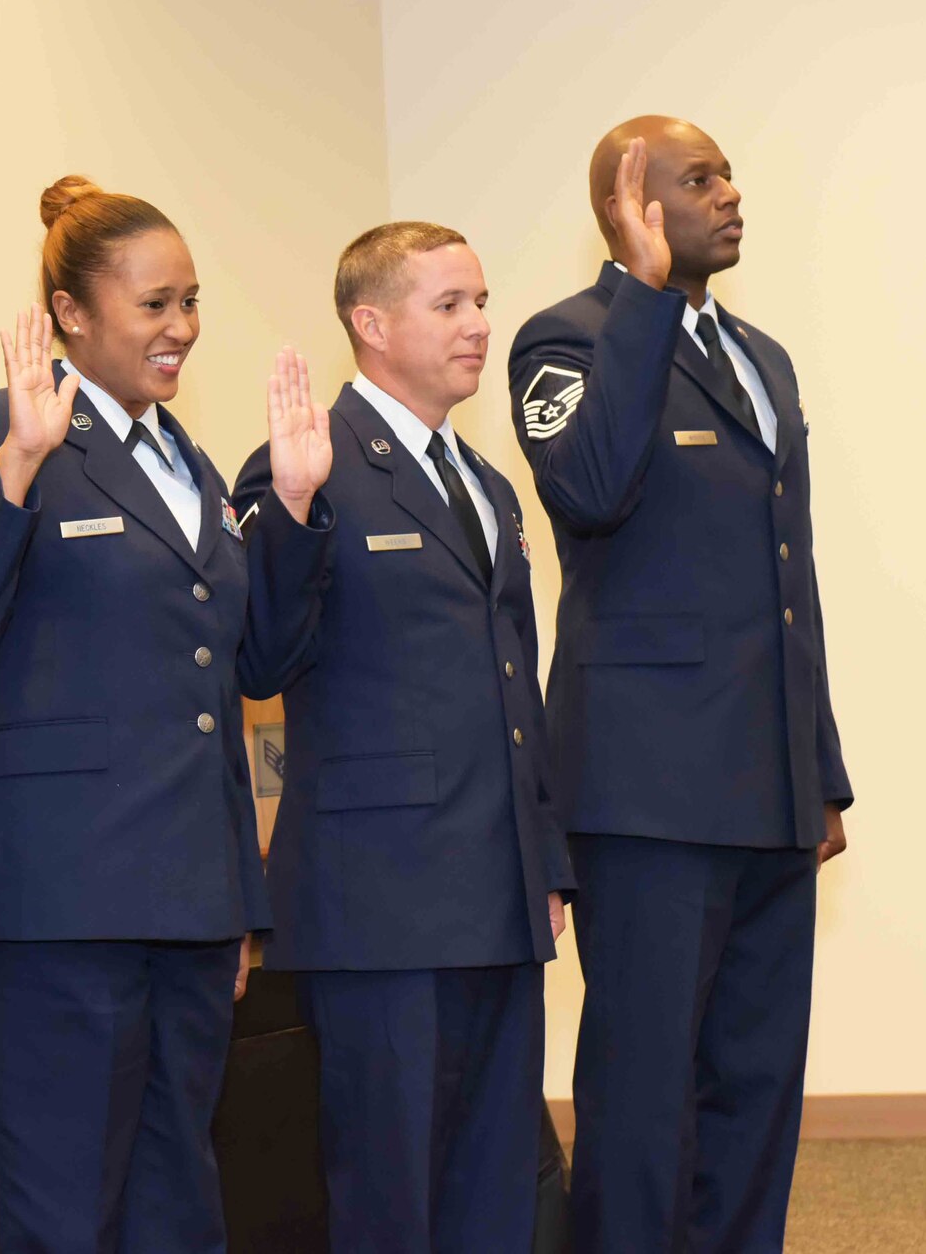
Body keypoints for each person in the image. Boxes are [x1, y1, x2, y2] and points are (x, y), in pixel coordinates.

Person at [0, 177, 272, 1254]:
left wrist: (232, 895)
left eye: (190, 301)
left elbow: (217, 686)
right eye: (154, 304)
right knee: (65, 1201)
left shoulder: (185, 461)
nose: (181, 329)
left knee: (176, 1193)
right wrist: (17, 468)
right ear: (68, 313)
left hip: (184, 897)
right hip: (59, 897)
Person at [507, 117, 853, 1252]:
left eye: (727, 175)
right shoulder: (562, 343)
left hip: (767, 788)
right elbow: (590, 490)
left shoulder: (763, 357)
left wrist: (822, 769)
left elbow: (785, 577)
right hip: (645, 794)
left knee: (755, 1088)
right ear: (630, 203)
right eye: (698, 180)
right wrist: (645, 297)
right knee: (644, 1093)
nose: (730, 195)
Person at [234, 223, 572, 1252]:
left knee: (494, 1177)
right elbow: (257, 656)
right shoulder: (304, 465)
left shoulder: (484, 481)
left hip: (498, 888)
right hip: (380, 898)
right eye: (449, 306)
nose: (478, 325)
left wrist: (546, 858)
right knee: (390, 1187)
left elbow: (518, 688)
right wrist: (290, 506)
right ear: (368, 324)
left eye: (479, 301)